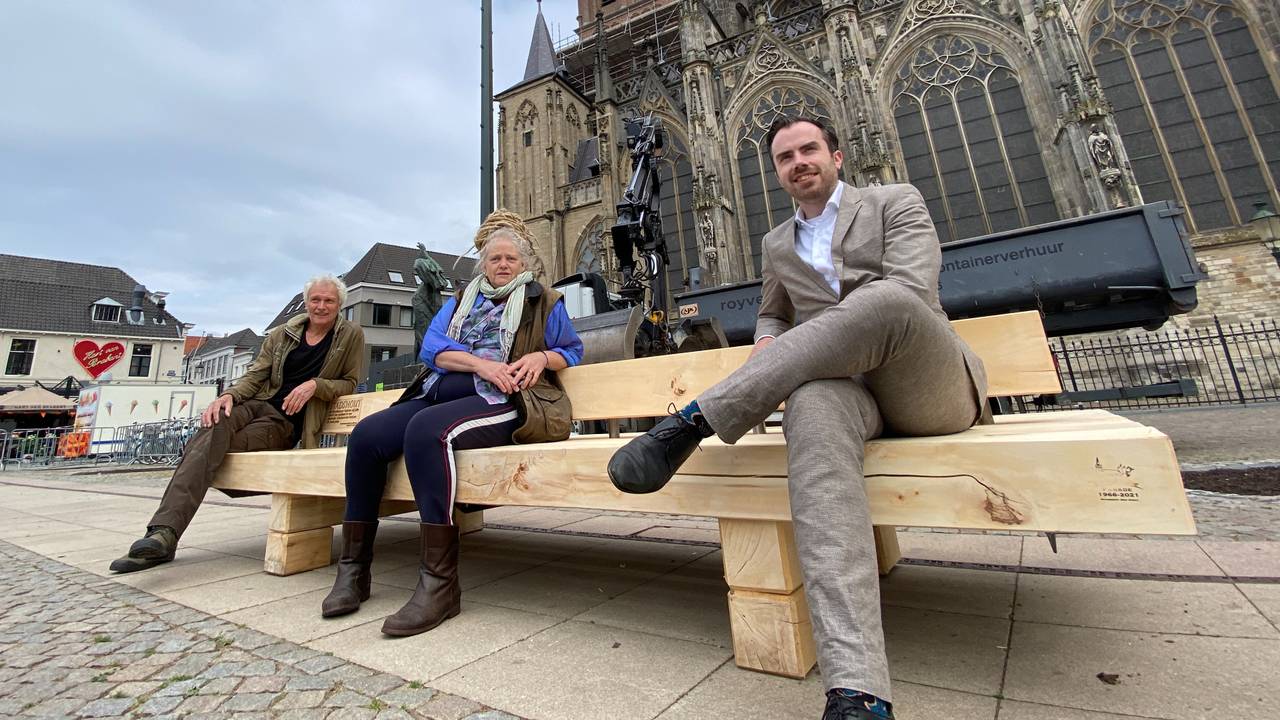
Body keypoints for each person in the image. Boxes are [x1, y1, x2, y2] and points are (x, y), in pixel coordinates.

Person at [607, 116, 988, 720]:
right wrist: (767, 342)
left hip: (925, 383)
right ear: (779, 173)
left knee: (886, 298)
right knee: (809, 404)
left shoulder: (895, 201)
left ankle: (690, 424)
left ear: (836, 155)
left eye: (809, 149)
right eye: (785, 157)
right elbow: (773, 316)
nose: (799, 161)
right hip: (847, 395)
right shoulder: (778, 244)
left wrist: (789, 348)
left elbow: (913, 295)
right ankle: (857, 692)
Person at [322, 219, 583, 637]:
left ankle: (440, 586)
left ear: (524, 263)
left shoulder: (544, 301)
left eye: (510, 258)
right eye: (494, 258)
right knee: (369, 435)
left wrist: (541, 359)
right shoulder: (464, 298)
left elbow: (572, 350)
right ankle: (354, 572)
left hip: (503, 399)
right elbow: (431, 348)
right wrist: (480, 362)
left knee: (427, 432)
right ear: (484, 264)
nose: (502, 264)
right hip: (438, 390)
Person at [110, 274, 365, 573]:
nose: (321, 306)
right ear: (307, 302)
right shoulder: (283, 333)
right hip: (254, 404)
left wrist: (315, 386)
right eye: (315, 300)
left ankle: (164, 533)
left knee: (204, 446)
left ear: (339, 304)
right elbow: (255, 375)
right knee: (215, 422)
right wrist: (228, 395)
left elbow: (349, 382)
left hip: (284, 422)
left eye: (329, 301)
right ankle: (162, 534)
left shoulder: (350, 335)